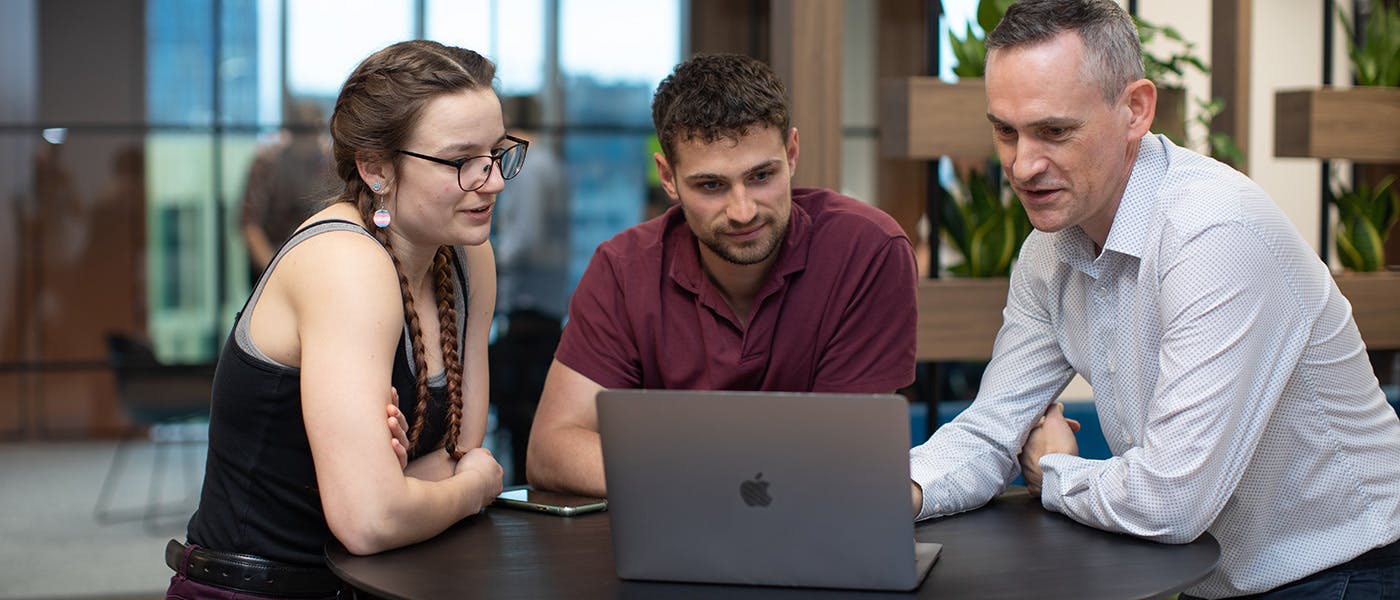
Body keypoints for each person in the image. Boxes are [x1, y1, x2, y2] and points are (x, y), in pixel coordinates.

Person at [907, 1, 1400, 598]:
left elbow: (1172, 499)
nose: (1022, 164)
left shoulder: (1215, 231)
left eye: (1055, 131)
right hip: (1208, 574)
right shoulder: (1050, 248)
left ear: (1135, 110)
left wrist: (1051, 473)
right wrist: (897, 493)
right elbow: (991, 430)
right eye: (1005, 130)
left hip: (1346, 570)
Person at [168, 40, 522, 598]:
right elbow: (372, 519)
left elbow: (455, 455)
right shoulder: (345, 262)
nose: (494, 181)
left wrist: (410, 486)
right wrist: (472, 489)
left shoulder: (468, 257)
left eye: (497, 154)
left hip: (383, 582)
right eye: (461, 162)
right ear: (376, 168)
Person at [527, 53, 919, 498]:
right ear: (668, 179)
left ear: (791, 154)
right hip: (671, 542)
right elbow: (551, 449)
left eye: (761, 176)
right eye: (711, 185)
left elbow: (842, 458)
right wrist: (713, 483)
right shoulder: (623, 268)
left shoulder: (868, 251)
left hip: (815, 538)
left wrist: (674, 473)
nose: (743, 211)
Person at [489, 95, 570, 486]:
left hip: (528, 307)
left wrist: (478, 260)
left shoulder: (528, 169)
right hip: (545, 304)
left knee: (520, 419)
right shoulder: (551, 164)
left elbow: (525, 241)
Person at [239, 100, 335, 282]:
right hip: (271, 264)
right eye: (308, 133)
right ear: (292, 133)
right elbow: (251, 226)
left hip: (315, 263)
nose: (314, 140)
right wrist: (275, 272)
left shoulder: (327, 163)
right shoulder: (268, 164)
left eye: (317, 132)